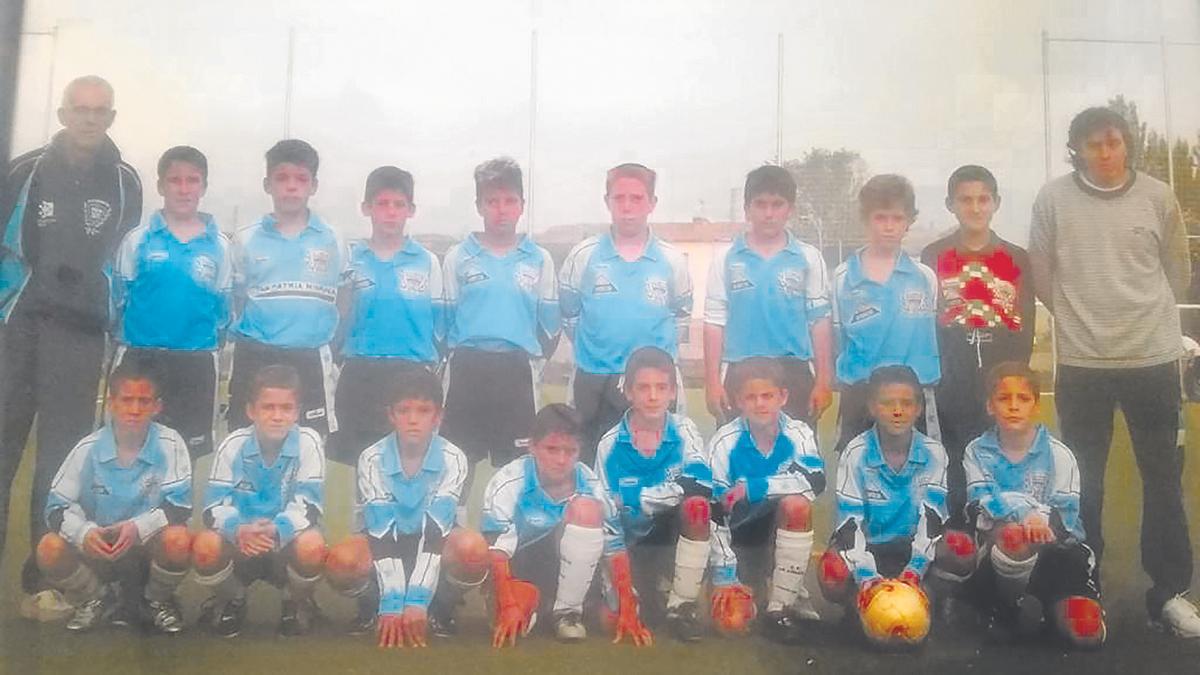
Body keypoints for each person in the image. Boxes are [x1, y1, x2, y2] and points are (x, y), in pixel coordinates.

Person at [1029, 106, 1200, 636]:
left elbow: (1176, 272)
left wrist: (1139, 319)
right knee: (1082, 483)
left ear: (1127, 144)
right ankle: (1083, 586)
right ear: (1077, 150)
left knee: (1163, 480)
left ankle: (1169, 593)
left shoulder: (1158, 196)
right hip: (1083, 364)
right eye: (1093, 144)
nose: (1105, 152)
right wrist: (1085, 320)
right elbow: (1041, 273)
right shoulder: (1053, 199)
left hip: (1153, 361)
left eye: (1114, 142)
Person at [0, 76, 142, 598]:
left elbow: (121, 259)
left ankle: (43, 581)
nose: (88, 118)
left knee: (59, 464)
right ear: (62, 114)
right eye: (80, 109)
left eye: (99, 110)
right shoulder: (23, 170)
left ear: (111, 117)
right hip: (17, 328)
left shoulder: (126, 181)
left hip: (80, 337)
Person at [324, 368, 486, 647]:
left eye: (423, 411)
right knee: (341, 561)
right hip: (383, 540)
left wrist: (417, 602)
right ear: (391, 415)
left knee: (473, 550)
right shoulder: (371, 458)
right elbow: (381, 532)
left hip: (435, 541)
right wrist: (392, 603)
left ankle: (440, 608)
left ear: (438, 416)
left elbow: (435, 532)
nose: (413, 419)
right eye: (404, 410)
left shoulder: (454, 458)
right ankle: (372, 606)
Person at [35, 361, 191, 633]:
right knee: (49, 548)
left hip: (146, 545)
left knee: (179, 540)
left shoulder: (171, 443)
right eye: (127, 400)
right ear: (111, 404)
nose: (134, 409)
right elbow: (55, 508)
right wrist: (84, 533)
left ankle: (155, 600)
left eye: (144, 401)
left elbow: (180, 505)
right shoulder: (87, 448)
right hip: (100, 546)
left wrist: (136, 528)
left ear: (157, 406)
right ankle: (95, 597)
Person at [818, 366, 975, 634]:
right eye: (887, 403)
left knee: (962, 548)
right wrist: (868, 579)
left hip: (915, 548)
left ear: (919, 409)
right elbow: (849, 527)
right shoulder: (855, 453)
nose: (898, 411)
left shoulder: (934, 453)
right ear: (872, 408)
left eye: (906, 403)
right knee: (831, 572)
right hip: (870, 547)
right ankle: (861, 606)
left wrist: (915, 570)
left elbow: (933, 522)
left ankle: (928, 597)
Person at [481, 403, 650, 646]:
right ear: (532, 446)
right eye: (551, 449)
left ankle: (568, 613)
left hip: (578, 571)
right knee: (513, 620)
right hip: (522, 570)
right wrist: (508, 605)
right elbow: (496, 551)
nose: (561, 459)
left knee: (586, 510)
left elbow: (614, 548)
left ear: (579, 449)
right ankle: (528, 603)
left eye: (570, 451)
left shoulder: (591, 484)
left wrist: (627, 606)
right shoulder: (509, 482)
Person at [920, 165, 1034, 525]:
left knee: (1000, 456)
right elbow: (928, 321)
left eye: (983, 199)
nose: (975, 207)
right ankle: (956, 534)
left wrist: (1016, 378)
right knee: (953, 461)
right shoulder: (934, 255)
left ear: (996, 203)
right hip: (951, 380)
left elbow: (1025, 322)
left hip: (1000, 378)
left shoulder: (1016, 258)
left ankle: (1002, 534)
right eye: (965, 200)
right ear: (950, 205)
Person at [963, 362, 1105, 649]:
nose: (1014, 406)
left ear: (1037, 406)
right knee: (1012, 535)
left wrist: (1039, 521)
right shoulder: (976, 451)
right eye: (1004, 398)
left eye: (1024, 398)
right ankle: (1008, 606)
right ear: (990, 406)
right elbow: (981, 502)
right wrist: (1027, 514)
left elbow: (1065, 515)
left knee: (1085, 633)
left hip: (1058, 553)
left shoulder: (1060, 454)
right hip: (1002, 553)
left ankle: (1054, 607)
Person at [440, 157, 559, 493]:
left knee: (516, 475)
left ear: (522, 205)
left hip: (516, 374)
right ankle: (452, 526)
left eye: (509, 201)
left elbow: (550, 328)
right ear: (479, 205)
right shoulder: (458, 256)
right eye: (492, 201)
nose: (501, 210)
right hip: (467, 371)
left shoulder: (539, 259)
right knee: (455, 471)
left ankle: (510, 527)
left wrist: (528, 358)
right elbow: (444, 322)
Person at [560, 163, 693, 461]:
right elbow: (569, 314)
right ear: (607, 201)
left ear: (652, 203)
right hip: (594, 377)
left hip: (651, 383)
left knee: (655, 464)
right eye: (619, 198)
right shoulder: (583, 256)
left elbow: (681, 314)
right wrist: (599, 347)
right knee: (590, 467)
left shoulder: (672, 260)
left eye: (636, 198)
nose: (628, 206)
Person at [112, 145, 232, 460]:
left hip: (196, 362)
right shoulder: (137, 240)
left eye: (192, 180)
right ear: (160, 186)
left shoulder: (220, 246)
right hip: (140, 358)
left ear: (203, 187)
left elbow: (223, 310)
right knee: (129, 450)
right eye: (174, 180)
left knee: (185, 456)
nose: (183, 188)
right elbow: (119, 300)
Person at [191, 365, 328, 637]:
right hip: (241, 541)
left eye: (286, 408)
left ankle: (295, 602)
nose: (277, 416)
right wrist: (239, 529)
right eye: (268, 407)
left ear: (297, 412)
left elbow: (310, 507)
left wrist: (276, 529)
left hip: (285, 541)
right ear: (251, 411)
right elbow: (212, 508)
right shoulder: (233, 444)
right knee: (205, 546)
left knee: (312, 545)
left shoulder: (309, 442)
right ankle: (233, 599)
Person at [227, 139, 346, 438]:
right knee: (246, 441)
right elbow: (237, 300)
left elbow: (344, 298)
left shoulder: (333, 239)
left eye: (301, 179)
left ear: (314, 186)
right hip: (255, 356)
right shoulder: (245, 238)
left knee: (310, 443)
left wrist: (328, 340)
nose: (291, 186)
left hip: (310, 358)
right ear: (267, 184)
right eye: (282, 178)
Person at [594, 347, 712, 642]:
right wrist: (623, 591)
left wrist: (637, 499)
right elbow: (607, 522)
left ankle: (682, 607)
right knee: (610, 620)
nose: (653, 396)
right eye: (643, 388)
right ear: (628, 392)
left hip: (670, 538)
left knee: (697, 507)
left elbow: (700, 484)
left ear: (672, 392)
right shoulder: (609, 445)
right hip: (628, 544)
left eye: (661, 387)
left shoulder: (685, 430)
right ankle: (642, 589)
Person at [330, 166, 443, 463]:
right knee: (363, 464)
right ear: (366, 208)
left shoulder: (427, 262)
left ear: (411, 210)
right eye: (382, 204)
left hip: (411, 373)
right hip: (361, 373)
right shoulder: (350, 259)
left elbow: (440, 326)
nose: (391, 212)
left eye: (399, 204)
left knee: (409, 464)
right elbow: (338, 318)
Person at [704, 165, 833, 425]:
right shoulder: (725, 258)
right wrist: (712, 382)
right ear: (747, 208)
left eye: (777, 204)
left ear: (790, 209)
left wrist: (823, 381)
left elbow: (820, 323)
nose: (769, 213)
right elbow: (714, 323)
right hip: (740, 371)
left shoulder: (809, 257)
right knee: (736, 449)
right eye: (760, 204)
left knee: (797, 448)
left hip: (793, 371)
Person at [708, 357, 825, 644]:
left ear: (782, 397)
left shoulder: (799, 433)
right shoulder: (724, 442)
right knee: (732, 623)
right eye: (751, 397)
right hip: (738, 542)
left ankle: (780, 607)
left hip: (777, 532)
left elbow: (814, 481)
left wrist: (754, 487)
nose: (760, 404)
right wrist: (726, 572)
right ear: (738, 401)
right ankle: (751, 581)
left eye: (767, 396)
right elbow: (714, 513)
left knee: (797, 505)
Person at [832, 174, 940, 453]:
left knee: (917, 468)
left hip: (911, 395)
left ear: (909, 221)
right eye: (881, 217)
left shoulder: (924, 277)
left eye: (897, 218)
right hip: (860, 393)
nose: (889, 227)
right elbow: (838, 340)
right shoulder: (843, 277)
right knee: (856, 466)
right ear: (865, 219)